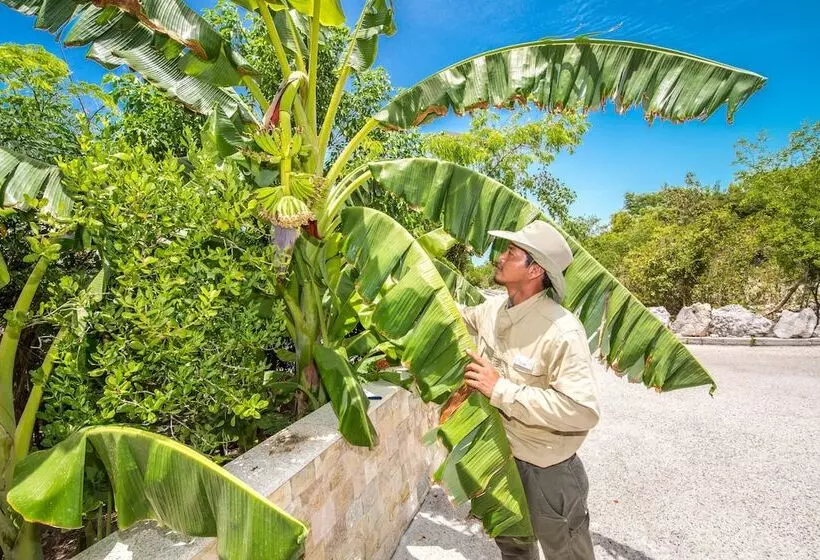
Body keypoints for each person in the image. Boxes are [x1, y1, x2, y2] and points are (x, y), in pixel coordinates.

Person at [460, 220, 600, 560]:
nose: (500, 257)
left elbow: (582, 411)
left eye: (511, 253)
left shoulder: (561, 330)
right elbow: (458, 318)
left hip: (546, 470)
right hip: (499, 456)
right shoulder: (492, 309)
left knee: (566, 552)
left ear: (535, 270)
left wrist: (500, 389)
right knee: (514, 548)